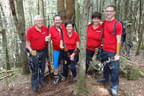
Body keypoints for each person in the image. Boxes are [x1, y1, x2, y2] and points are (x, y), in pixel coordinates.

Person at [97, 5, 122, 96]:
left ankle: (114, 88)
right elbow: (99, 25)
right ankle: (105, 79)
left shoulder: (117, 24)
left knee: (115, 70)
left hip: (113, 51)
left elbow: (118, 40)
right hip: (104, 49)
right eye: (107, 11)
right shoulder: (104, 22)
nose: (108, 13)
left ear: (114, 12)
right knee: (105, 66)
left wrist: (117, 54)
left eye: (111, 11)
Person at [26, 15, 50, 92]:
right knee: (35, 69)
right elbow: (27, 44)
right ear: (35, 22)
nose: (40, 22)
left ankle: (41, 80)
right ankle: (34, 84)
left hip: (43, 51)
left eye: (41, 20)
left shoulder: (46, 28)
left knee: (42, 67)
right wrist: (32, 52)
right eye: (38, 21)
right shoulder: (30, 30)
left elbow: (48, 40)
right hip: (34, 52)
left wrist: (48, 40)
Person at [49, 15, 67, 85]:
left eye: (59, 20)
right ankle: (56, 77)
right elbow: (49, 37)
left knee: (64, 62)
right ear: (54, 21)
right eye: (56, 20)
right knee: (56, 63)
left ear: (61, 21)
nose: (57, 21)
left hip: (64, 49)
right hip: (56, 49)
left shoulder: (64, 27)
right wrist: (48, 39)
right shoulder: (51, 28)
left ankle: (62, 74)